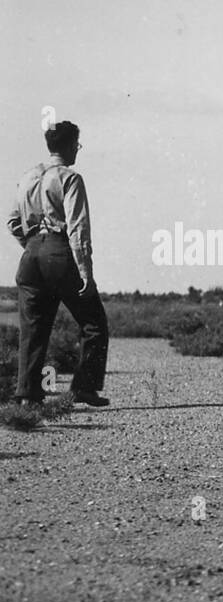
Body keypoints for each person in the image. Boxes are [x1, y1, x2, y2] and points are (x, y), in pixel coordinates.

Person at [6, 120, 110, 407]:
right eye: (76, 144)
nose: (78, 149)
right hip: (60, 252)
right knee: (94, 324)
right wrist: (85, 271)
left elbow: (13, 221)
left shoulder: (28, 177)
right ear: (68, 145)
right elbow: (78, 229)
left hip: (30, 255)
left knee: (33, 329)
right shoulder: (69, 178)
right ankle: (84, 389)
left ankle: (27, 396)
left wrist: (31, 245)